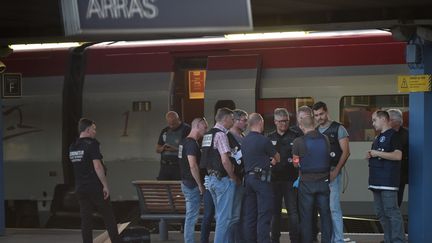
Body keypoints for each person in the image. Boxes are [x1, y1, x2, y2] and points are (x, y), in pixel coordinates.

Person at [69, 118, 121, 243]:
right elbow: (97, 166)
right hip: (95, 186)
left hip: (81, 188)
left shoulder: (72, 146)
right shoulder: (92, 144)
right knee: (108, 216)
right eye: (93, 129)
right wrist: (105, 185)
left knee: (86, 219)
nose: (95, 132)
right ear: (87, 130)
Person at [312, 101, 350, 243]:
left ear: (326, 112)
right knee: (323, 209)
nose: (319, 117)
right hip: (318, 175)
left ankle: (338, 240)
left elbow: (346, 152)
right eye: (316, 115)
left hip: (333, 172)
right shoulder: (315, 131)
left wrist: (336, 171)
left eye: (321, 114)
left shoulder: (338, 128)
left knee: (333, 208)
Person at [200, 107, 239, 243]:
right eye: (232, 119)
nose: (233, 122)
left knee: (220, 216)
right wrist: (233, 176)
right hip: (222, 180)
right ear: (226, 118)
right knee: (224, 219)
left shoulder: (208, 135)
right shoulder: (222, 135)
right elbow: (224, 160)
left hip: (210, 179)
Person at [366, 110, 405, 243]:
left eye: (374, 120)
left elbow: (397, 155)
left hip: (388, 182)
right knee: (381, 214)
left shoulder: (394, 136)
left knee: (392, 212)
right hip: (376, 181)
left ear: (383, 119)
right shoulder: (377, 138)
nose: (373, 123)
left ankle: (398, 240)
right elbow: (377, 154)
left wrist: (377, 153)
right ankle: (388, 240)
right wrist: (371, 155)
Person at [292, 115, 332, 243]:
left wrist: (299, 161)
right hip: (324, 182)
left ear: (301, 126)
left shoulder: (298, 141)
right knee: (325, 215)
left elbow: (295, 162)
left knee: (306, 217)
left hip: (307, 184)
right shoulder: (325, 139)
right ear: (314, 125)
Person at [242, 113, 280, 243]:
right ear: (260, 123)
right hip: (261, 181)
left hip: (248, 180)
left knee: (250, 216)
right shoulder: (264, 140)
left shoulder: (244, 140)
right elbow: (277, 157)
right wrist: (271, 161)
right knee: (264, 215)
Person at [267, 108, 299, 243]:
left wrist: (296, 162)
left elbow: (299, 157)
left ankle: (295, 240)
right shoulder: (269, 138)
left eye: (286, 121)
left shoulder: (296, 136)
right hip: (274, 181)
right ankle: (274, 240)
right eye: (280, 121)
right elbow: (265, 158)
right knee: (275, 214)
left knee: (293, 213)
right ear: (275, 122)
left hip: (291, 180)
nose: (283, 124)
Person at [178, 118, 208, 243]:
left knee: (191, 215)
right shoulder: (191, 144)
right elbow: (193, 165)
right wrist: (200, 184)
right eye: (205, 127)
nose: (206, 131)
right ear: (198, 126)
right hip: (192, 184)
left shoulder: (183, 142)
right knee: (192, 216)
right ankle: (189, 240)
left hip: (185, 182)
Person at [227, 109, 248, 243]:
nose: (246, 123)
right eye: (244, 120)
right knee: (233, 215)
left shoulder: (243, 136)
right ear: (235, 120)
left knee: (241, 214)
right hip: (233, 180)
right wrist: (234, 177)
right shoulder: (227, 137)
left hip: (244, 179)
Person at [156, 111, 191, 180]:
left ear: (178, 119)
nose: (171, 126)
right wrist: (163, 148)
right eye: (169, 124)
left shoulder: (186, 129)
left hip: (178, 166)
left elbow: (189, 149)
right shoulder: (165, 131)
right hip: (165, 166)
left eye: (173, 124)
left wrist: (175, 149)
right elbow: (157, 149)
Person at [387, 109, 409, 207]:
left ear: (394, 121)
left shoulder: (404, 135)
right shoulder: (389, 133)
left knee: (395, 203)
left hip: (399, 173)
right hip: (390, 173)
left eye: (387, 120)